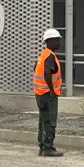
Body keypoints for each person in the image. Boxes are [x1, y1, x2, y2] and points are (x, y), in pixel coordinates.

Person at [33, 29, 64, 158]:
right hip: (47, 95)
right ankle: (48, 148)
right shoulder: (50, 56)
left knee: (43, 120)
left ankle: (42, 146)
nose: (59, 42)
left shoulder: (44, 54)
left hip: (40, 93)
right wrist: (51, 90)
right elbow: (46, 73)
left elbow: (35, 68)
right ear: (49, 41)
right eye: (57, 40)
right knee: (50, 121)